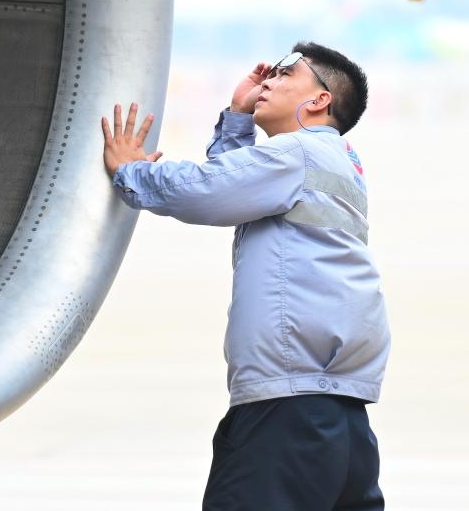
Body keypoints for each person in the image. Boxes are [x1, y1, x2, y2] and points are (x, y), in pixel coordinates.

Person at [100, 41, 391, 510]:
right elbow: (237, 184)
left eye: (286, 72)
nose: (270, 79)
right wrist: (238, 116)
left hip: (287, 407)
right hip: (340, 416)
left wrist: (130, 171)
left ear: (319, 100)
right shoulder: (334, 160)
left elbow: (206, 189)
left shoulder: (299, 153)